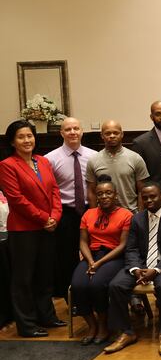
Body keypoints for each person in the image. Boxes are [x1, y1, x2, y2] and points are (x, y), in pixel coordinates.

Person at [0, 120, 64, 337]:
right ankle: (27, 324)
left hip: (48, 227)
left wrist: (55, 216)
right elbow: (16, 199)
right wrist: (44, 218)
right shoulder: (7, 165)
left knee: (44, 275)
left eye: (29, 136)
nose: (27, 140)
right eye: (21, 137)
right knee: (24, 278)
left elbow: (55, 191)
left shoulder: (43, 161)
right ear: (12, 141)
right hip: (24, 230)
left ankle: (47, 316)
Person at [105, 182, 161, 356]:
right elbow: (131, 248)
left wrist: (156, 270)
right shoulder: (137, 218)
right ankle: (127, 332)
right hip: (140, 266)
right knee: (116, 285)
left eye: (153, 196)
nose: (149, 200)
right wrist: (136, 269)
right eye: (145, 197)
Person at [70, 175, 131, 346]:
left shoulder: (126, 215)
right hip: (92, 256)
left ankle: (104, 326)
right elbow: (83, 241)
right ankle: (91, 326)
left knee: (96, 284)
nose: (104, 196)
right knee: (78, 285)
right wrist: (90, 261)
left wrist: (99, 264)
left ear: (116, 195)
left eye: (108, 193)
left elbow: (123, 245)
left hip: (114, 257)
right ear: (96, 196)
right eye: (100, 194)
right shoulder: (88, 214)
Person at [45, 117, 97, 298]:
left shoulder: (94, 156)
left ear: (82, 131)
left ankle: (93, 292)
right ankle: (71, 298)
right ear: (61, 133)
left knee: (94, 253)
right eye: (68, 129)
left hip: (90, 211)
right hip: (65, 213)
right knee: (66, 257)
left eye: (76, 128)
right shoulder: (50, 159)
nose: (73, 132)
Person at [86, 120, 150, 213]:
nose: (112, 136)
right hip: (104, 214)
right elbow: (91, 191)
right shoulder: (93, 160)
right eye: (107, 133)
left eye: (115, 133)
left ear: (122, 134)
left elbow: (142, 191)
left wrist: (140, 216)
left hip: (130, 212)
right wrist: (93, 215)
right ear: (102, 136)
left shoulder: (135, 158)